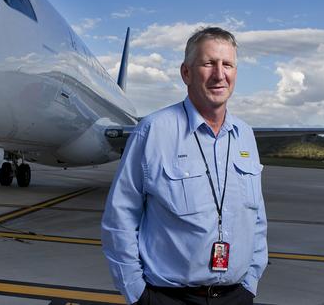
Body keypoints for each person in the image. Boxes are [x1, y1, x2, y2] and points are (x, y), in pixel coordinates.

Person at [101, 27, 267, 305]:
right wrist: (139, 295)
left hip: (236, 295)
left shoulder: (245, 135)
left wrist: (251, 282)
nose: (219, 74)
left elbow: (257, 218)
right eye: (208, 63)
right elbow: (120, 217)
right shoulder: (152, 131)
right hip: (169, 297)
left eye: (227, 64)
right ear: (186, 73)